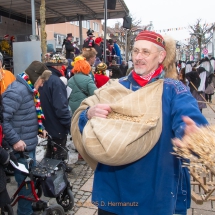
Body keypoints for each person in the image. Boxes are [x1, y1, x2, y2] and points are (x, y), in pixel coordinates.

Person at [71, 30, 208, 215]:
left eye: (145, 52)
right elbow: (81, 116)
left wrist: (194, 135)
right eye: (135, 51)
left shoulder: (173, 90)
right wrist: (89, 114)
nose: (138, 57)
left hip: (153, 195)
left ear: (161, 56)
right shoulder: (115, 86)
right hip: (113, 192)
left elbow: (189, 118)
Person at [2, 61, 51, 215]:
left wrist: (39, 129)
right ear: (36, 78)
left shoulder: (27, 89)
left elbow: (23, 117)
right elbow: (3, 120)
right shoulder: (17, 91)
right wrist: (15, 140)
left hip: (28, 146)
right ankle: (25, 213)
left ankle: (28, 209)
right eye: (42, 81)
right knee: (26, 186)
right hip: (20, 149)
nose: (42, 85)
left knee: (30, 183)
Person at [39, 62, 71, 162]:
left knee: (51, 149)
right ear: (56, 66)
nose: (64, 67)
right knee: (58, 153)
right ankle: (59, 172)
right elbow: (61, 108)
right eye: (62, 65)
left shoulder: (44, 79)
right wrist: (69, 124)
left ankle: (49, 169)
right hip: (56, 124)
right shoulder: (56, 81)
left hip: (47, 121)